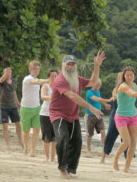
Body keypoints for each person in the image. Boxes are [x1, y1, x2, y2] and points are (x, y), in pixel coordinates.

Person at [49, 51, 106, 179]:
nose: (71, 66)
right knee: (63, 138)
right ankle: (62, 169)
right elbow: (72, 96)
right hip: (58, 114)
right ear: (63, 65)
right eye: (68, 64)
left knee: (77, 142)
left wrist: (97, 65)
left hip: (72, 115)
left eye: (73, 64)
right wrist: (90, 106)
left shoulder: (77, 79)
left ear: (75, 67)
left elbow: (93, 82)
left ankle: (70, 169)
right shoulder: (60, 80)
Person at [20, 60, 49, 157]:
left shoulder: (38, 80)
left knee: (37, 130)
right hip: (26, 108)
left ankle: (33, 150)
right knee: (26, 131)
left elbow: (40, 82)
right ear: (30, 69)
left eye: (38, 69)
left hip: (37, 108)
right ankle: (25, 148)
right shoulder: (27, 79)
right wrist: (49, 80)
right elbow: (38, 82)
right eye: (34, 69)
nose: (36, 71)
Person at [85, 78, 112, 162]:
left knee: (103, 132)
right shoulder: (89, 93)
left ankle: (104, 149)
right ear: (92, 85)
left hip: (99, 116)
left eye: (98, 85)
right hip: (90, 116)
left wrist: (105, 104)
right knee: (90, 134)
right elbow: (96, 99)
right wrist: (108, 100)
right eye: (96, 85)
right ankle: (89, 150)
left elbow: (99, 98)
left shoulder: (98, 92)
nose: (97, 87)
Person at [0, 67, 23, 148]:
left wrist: (17, 102)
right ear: (4, 73)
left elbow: (14, 91)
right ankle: (8, 145)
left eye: (9, 72)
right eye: (6, 72)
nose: (8, 74)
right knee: (5, 126)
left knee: (18, 124)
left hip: (13, 106)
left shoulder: (14, 81)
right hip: (3, 106)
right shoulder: (2, 81)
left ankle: (20, 142)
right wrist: (6, 73)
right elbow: (1, 80)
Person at [40, 69, 58, 162]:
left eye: (55, 76)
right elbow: (42, 96)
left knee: (55, 137)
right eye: (52, 76)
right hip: (45, 114)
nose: (54, 78)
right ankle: (47, 157)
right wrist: (52, 97)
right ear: (49, 77)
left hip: (56, 114)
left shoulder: (59, 87)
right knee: (46, 137)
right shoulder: (46, 86)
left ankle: (53, 157)